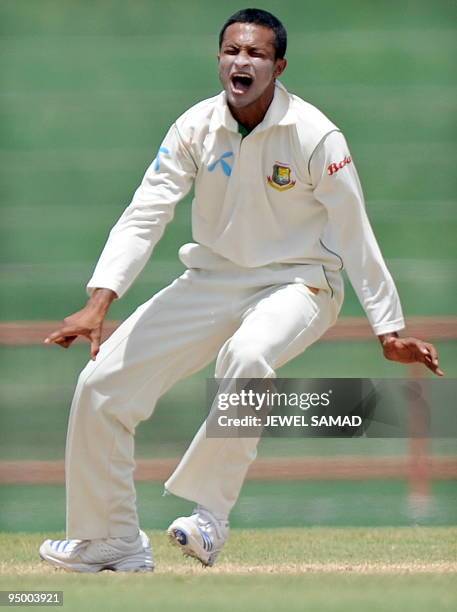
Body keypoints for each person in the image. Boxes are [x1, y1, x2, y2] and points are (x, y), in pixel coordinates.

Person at [39, 8, 443, 573]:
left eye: (255, 54)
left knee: (249, 354)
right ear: (219, 58)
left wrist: (388, 328)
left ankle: (210, 517)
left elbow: (354, 231)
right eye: (232, 51)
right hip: (212, 279)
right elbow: (146, 213)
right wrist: (99, 300)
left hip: (301, 283)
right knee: (101, 385)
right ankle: (111, 540)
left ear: (279, 66)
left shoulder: (314, 134)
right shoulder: (195, 127)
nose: (241, 61)